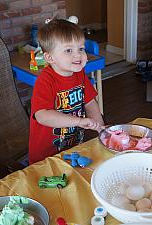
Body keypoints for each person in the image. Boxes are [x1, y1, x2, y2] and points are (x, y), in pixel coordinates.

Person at [29, 19, 105, 164]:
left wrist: (101, 128)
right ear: (50, 58)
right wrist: (79, 121)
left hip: (73, 148)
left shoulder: (79, 74)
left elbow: (90, 102)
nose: (78, 55)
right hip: (46, 156)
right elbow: (42, 116)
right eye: (68, 50)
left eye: (81, 49)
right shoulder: (45, 81)